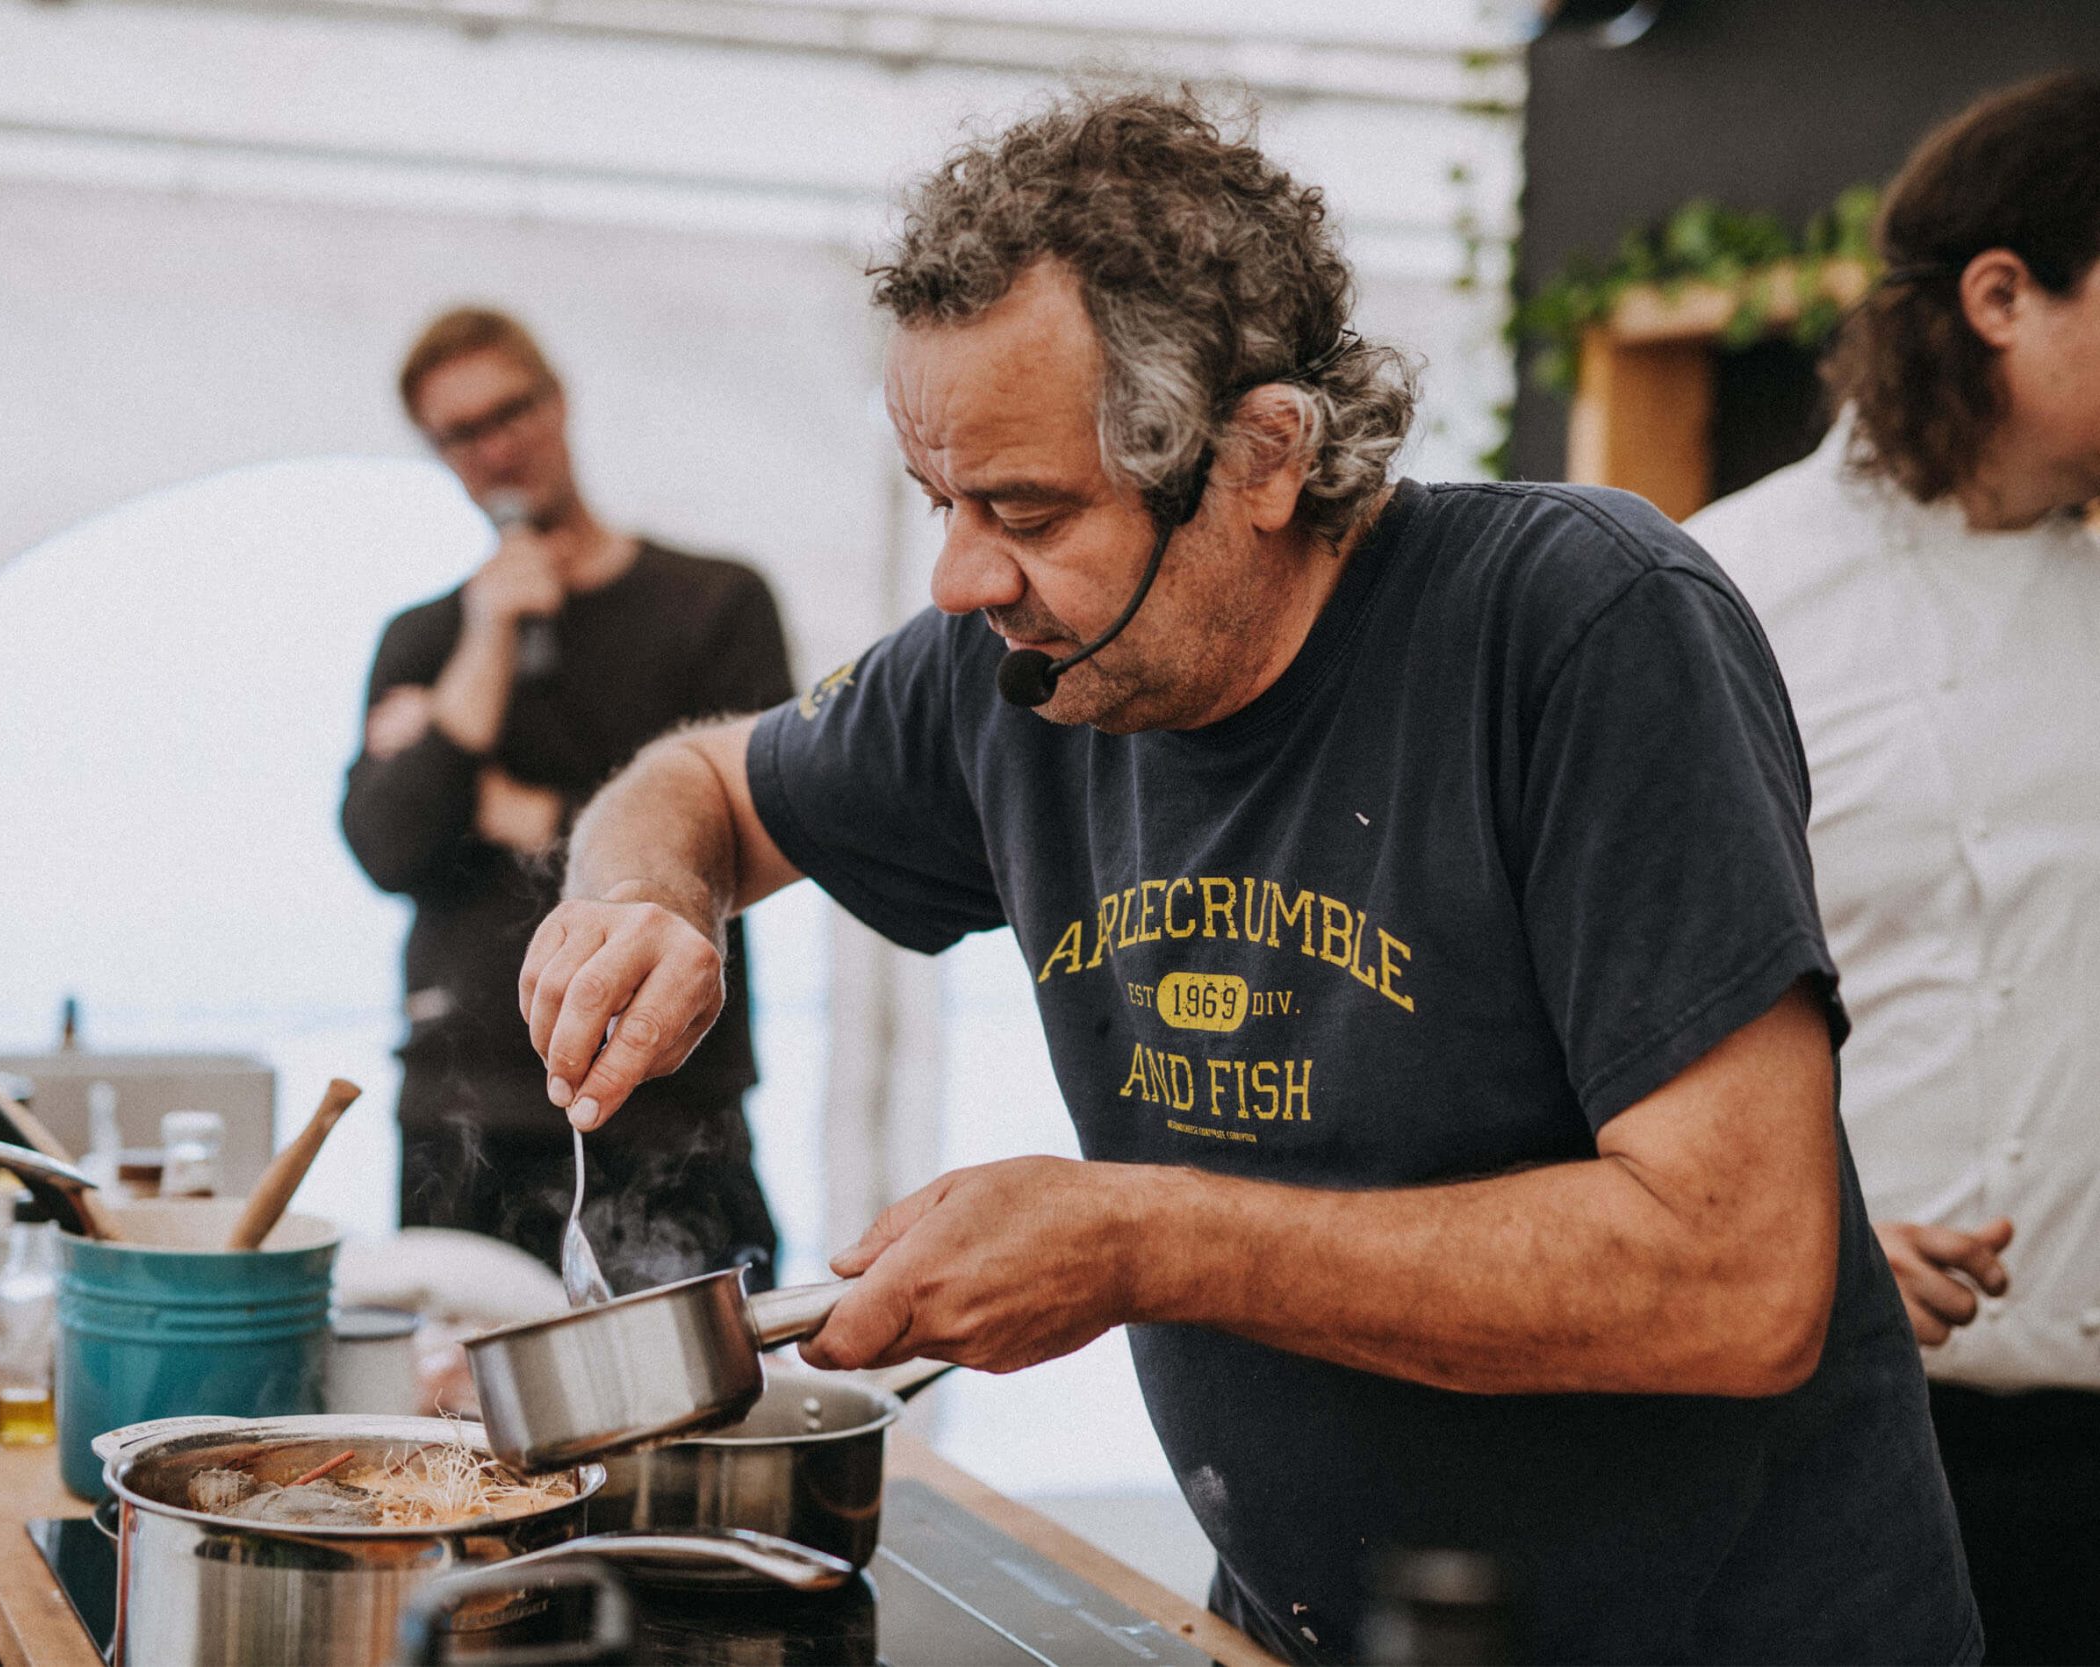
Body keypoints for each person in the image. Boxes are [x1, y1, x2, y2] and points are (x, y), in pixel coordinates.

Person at [512, 90, 1980, 1664]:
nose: (959, 577)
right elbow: (699, 783)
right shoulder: (1008, 665)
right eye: (945, 502)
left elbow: (1738, 1279)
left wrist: (1140, 1240)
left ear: (1263, 452)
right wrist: (648, 896)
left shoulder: (1582, 628)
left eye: (1027, 509)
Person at [1689, 70, 2100, 1667]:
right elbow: (1563, 1036)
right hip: (1821, 1441)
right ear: (2002, 296)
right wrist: (1823, 1239)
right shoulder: (1723, 590)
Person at [342, 307, 793, 1291]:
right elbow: (388, 845)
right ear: (438, 452)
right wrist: (482, 648)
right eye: (461, 431)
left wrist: (518, 809)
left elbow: (763, 817)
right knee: (454, 1430)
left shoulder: (712, 602)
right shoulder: (427, 639)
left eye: (511, 409)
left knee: (694, 1423)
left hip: (672, 1102)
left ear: (558, 400)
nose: (496, 445)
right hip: (464, 1112)